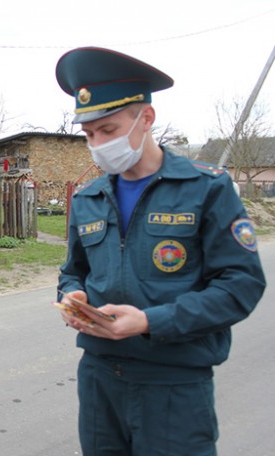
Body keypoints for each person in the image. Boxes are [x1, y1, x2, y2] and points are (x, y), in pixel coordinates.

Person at [54, 47, 266, 455]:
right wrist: (72, 295)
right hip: (99, 378)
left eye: (109, 130)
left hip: (173, 383)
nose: (98, 145)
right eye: (89, 135)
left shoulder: (206, 188)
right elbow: (73, 270)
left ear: (146, 119)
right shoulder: (88, 197)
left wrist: (151, 320)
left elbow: (241, 285)